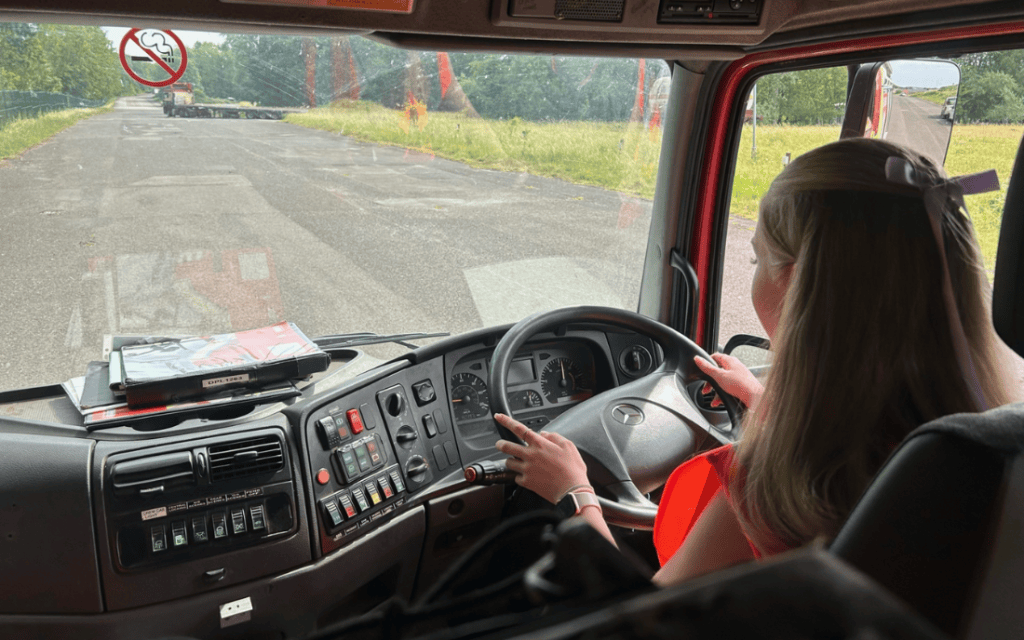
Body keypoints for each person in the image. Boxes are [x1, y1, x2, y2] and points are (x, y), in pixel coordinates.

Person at [494, 137, 1021, 587]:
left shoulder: (788, 477)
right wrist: (762, 399)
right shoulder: (989, 437)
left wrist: (576, 493)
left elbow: (643, 617)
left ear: (796, 281)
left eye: (757, 258)